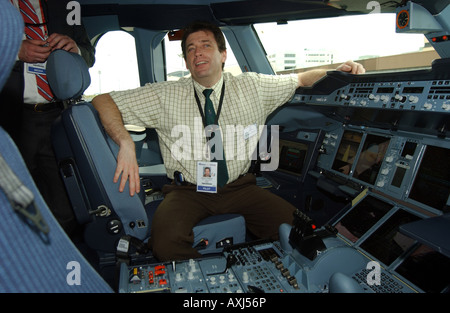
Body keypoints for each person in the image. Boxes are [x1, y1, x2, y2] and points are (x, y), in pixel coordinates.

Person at [92, 21, 365, 261]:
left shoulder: (253, 87)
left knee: (300, 231)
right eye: (190, 48)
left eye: (205, 45)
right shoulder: (165, 95)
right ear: (187, 62)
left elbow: (300, 79)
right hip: (189, 191)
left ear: (222, 55)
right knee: (164, 244)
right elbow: (103, 100)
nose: (197, 52)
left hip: (240, 187)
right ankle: (213, 281)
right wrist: (125, 142)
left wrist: (337, 71)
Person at [0, 0, 95, 237]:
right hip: (12, 118)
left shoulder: (67, 5)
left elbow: (88, 54)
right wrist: (15, 51)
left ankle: (53, 254)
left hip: (58, 115)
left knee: (67, 202)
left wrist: (76, 49)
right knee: (12, 200)